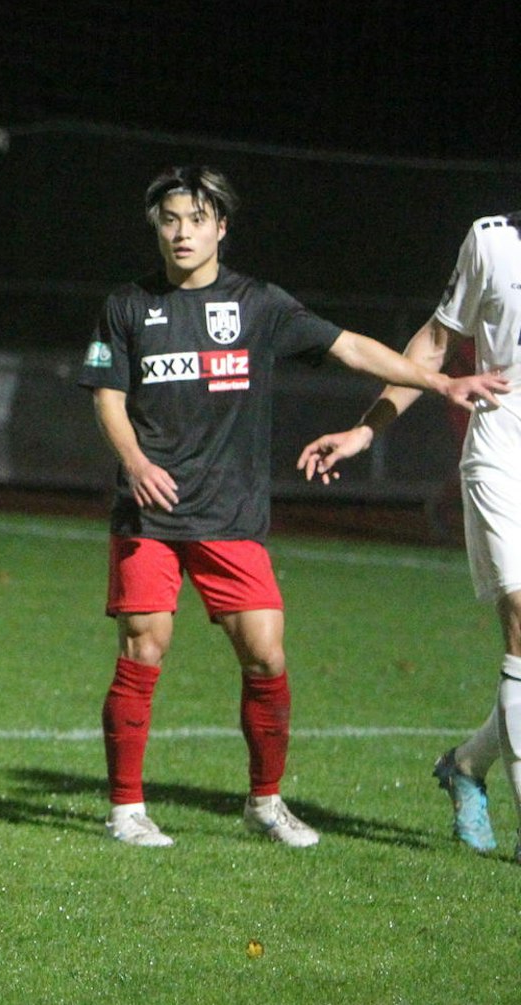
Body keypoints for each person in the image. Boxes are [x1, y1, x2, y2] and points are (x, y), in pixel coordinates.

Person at [77, 165, 504, 849]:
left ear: (221, 226)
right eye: (170, 219)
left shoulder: (258, 303)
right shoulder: (127, 306)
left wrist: (438, 379)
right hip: (149, 510)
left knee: (267, 654)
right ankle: (126, 808)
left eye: (196, 219)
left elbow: (350, 347)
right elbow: (107, 397)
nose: (182, 232)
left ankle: (265, 802)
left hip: (231, 511)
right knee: (144, 645)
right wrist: (135, 461)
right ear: (156, 226)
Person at [298, 212, 521, 857]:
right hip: (502, 453)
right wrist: (366, 430)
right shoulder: (491, 240)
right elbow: (434, 343)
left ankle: (467, 766)